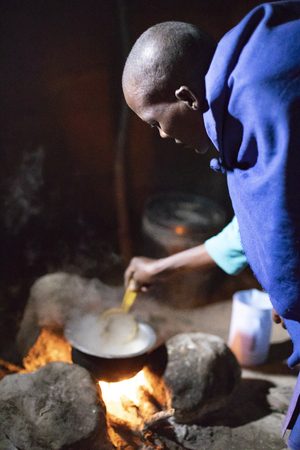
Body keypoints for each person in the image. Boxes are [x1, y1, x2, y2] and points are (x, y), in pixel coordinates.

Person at [122, 2, 300, 449]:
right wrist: (160, 268)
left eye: (155, 122)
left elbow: (279, 230)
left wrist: (289, 294)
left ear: (186, 98)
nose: (163, 135)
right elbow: (258, 224)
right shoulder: (249, 66)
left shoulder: (260, 101)